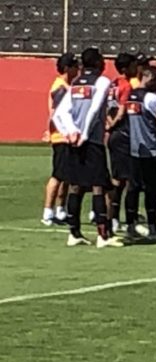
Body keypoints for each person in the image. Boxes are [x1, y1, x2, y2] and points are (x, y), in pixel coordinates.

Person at [52, 47, 120, 247]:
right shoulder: (102, 81)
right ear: (99, 63)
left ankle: (74, 233)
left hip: (74, 140)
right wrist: (85, 133)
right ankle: (102, 235)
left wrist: (69, 132)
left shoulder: (75, 83)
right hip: (91, 140)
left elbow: (59, 113)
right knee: (98, 185)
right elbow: (95, 108)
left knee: (76, 185)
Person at [124, 64, 156, 239]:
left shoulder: (131, 96)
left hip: (135, 147)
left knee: (132, 188)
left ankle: (130, 225)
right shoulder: (150, 98)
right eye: (155, 80)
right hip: (151, 148)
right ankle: (152, 227)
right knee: (152, 189)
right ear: (147, 77)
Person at [42, 52, 78, 227]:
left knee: (66, 175)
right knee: (58, 174)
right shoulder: (61, 88)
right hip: (61, 136)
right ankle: (48, 211)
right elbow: (56, 113)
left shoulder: (67, 86)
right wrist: (59, 132)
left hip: (65, 136)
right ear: (66, 68)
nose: (77, 69)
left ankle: (60, 210)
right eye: (74, 66)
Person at [105, 52, 136, 234]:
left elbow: (107, 107)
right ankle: (126, 221)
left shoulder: (112, 84)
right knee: (128, 180)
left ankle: (114, 218)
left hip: (115, 135)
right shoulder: (126, 86)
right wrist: (115, 123)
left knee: (118, 179)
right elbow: (123, 109)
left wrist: (109, 125)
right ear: (125, 68)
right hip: (124, 134)